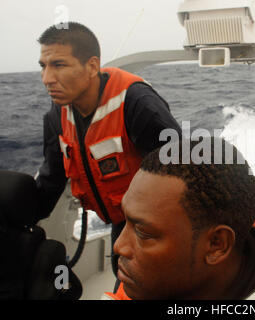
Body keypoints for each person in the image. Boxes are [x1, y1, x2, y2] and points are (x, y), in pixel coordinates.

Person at [103, 138, 255, 300]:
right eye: (126, 223)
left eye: (144, 234)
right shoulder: (141, 283)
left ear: (217, 244)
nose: (118, 247)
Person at [34, 22, 181, 279]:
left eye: (58, 65)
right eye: (43, 67)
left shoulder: (136, 103)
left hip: (157, 225)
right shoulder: (57, 115)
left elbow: (179, 176)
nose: (47, 79)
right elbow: (51, 179)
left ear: (91, 66)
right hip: (119, 220)